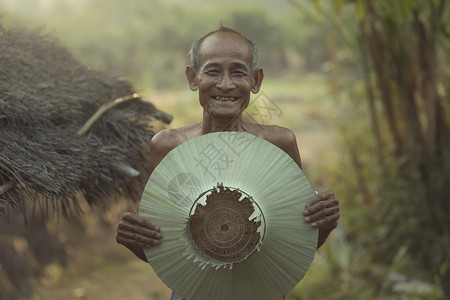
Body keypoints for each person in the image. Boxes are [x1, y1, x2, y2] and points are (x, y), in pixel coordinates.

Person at [116, 26, 340, 300]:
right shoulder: (168, 147)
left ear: (255, 81)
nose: (225, 84)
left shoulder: (279, 144)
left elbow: (295, 244)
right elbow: (165, 251)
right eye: (212, 71)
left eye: (238, 72)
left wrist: (324, 223)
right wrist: (134, 240)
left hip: (262, 291)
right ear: (193, 77)